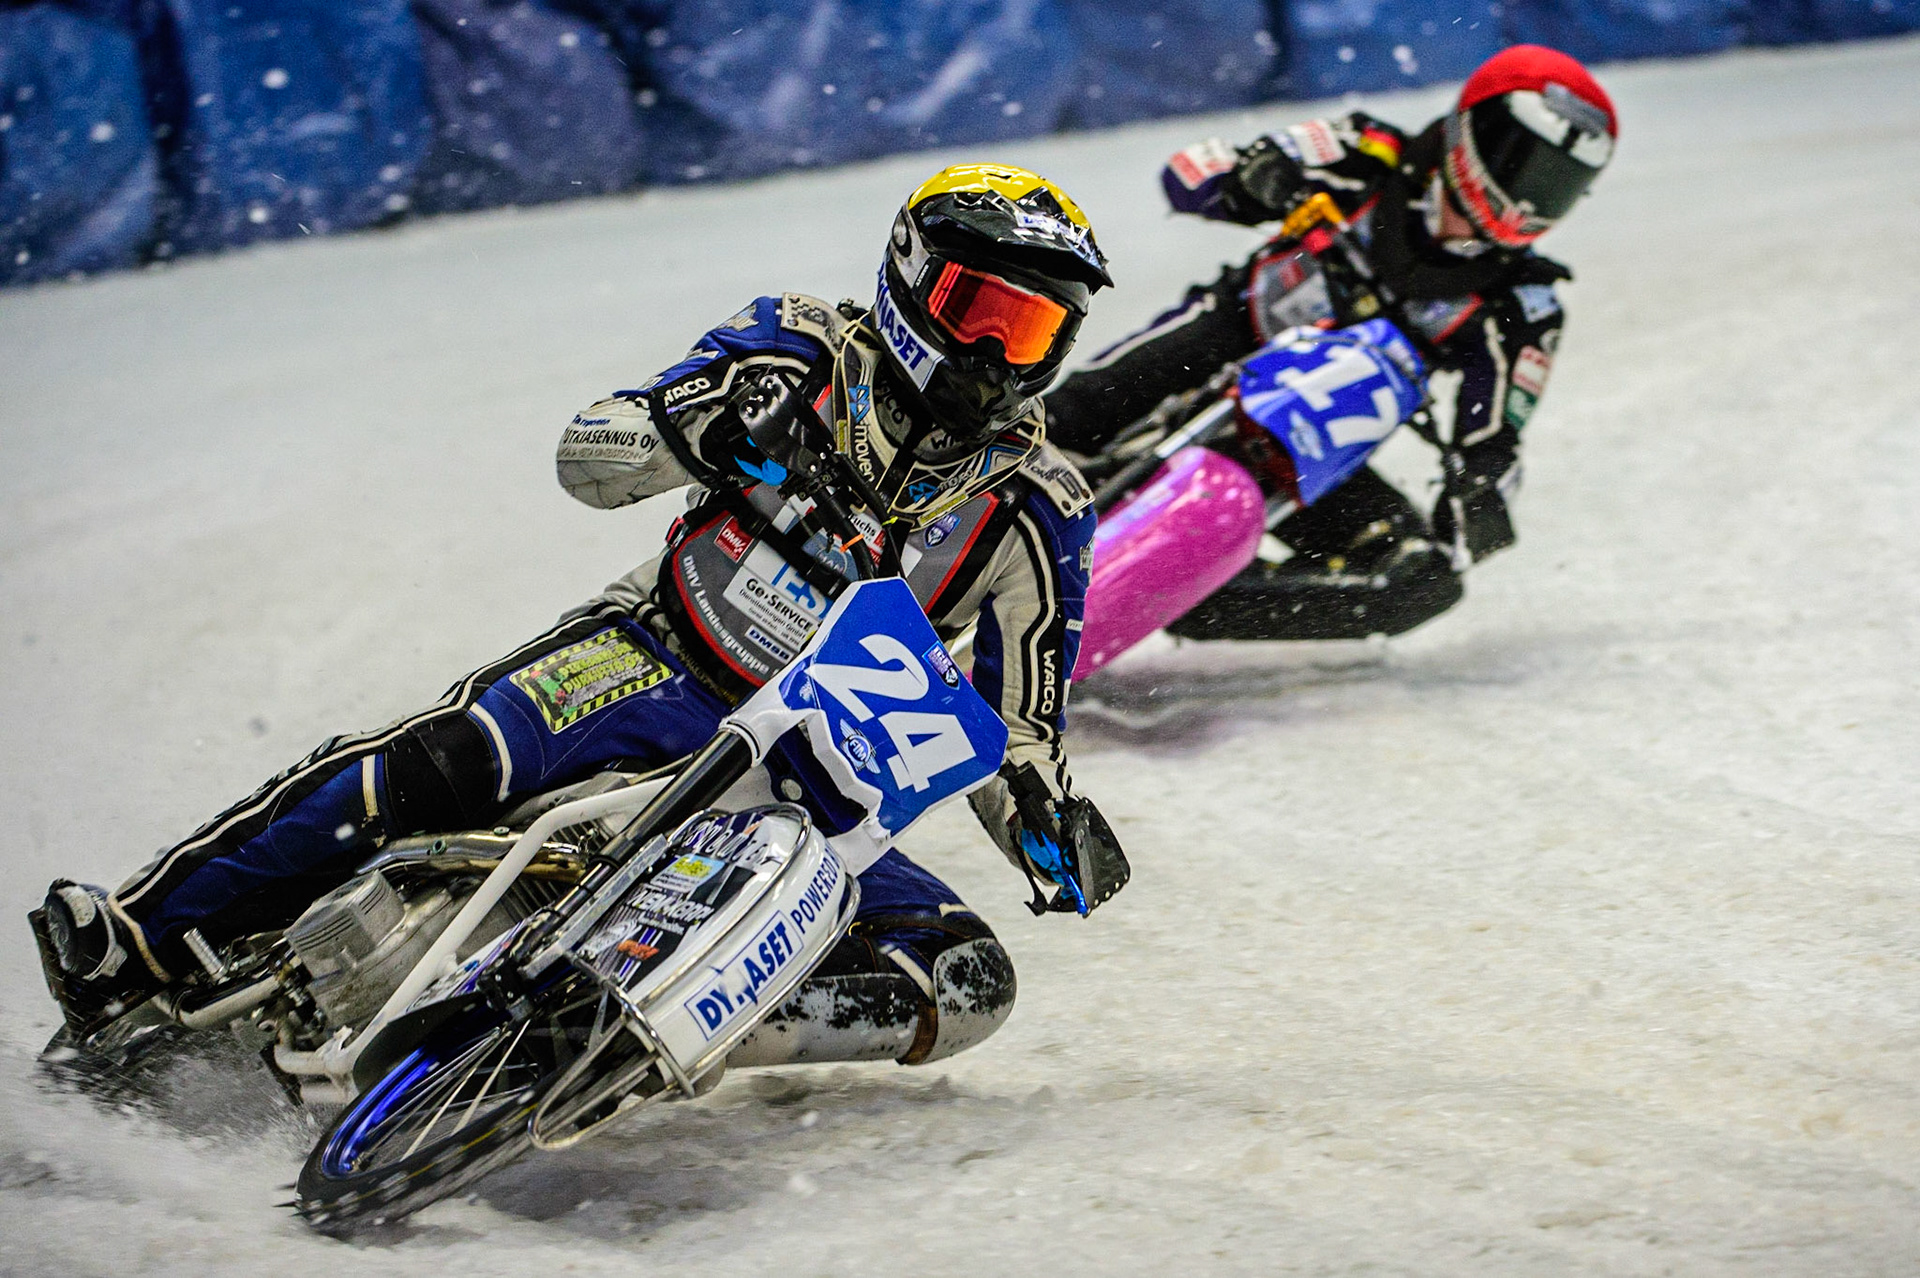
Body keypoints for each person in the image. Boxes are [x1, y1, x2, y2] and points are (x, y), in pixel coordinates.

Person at [35, 163, 1129, 1073]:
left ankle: (627, 1041)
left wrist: (1049, 821)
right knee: (442, 760)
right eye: (980, 312)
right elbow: (587, 453)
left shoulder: (1043, 508)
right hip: (652, 656)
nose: (996, 356)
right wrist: (697, 429)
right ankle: (135, 940)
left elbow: (1015, 732)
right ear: (908, 278)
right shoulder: (794, 344)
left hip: (816, 781)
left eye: (1032, 330)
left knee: (965, 977)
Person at [1046, 45, 1617, 641]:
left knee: (1421, 581)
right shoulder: (1367, 152)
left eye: (1557, 185)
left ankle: (1162, 599)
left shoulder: (1522, 305)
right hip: (1221, 339)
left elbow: (1493, 440)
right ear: (1472, 130)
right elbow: (1187, 177)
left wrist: (1479, 497)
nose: (1526, 200)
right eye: (1522, 163)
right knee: (1048, 426)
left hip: (1304, 447)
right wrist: (1254, 179)